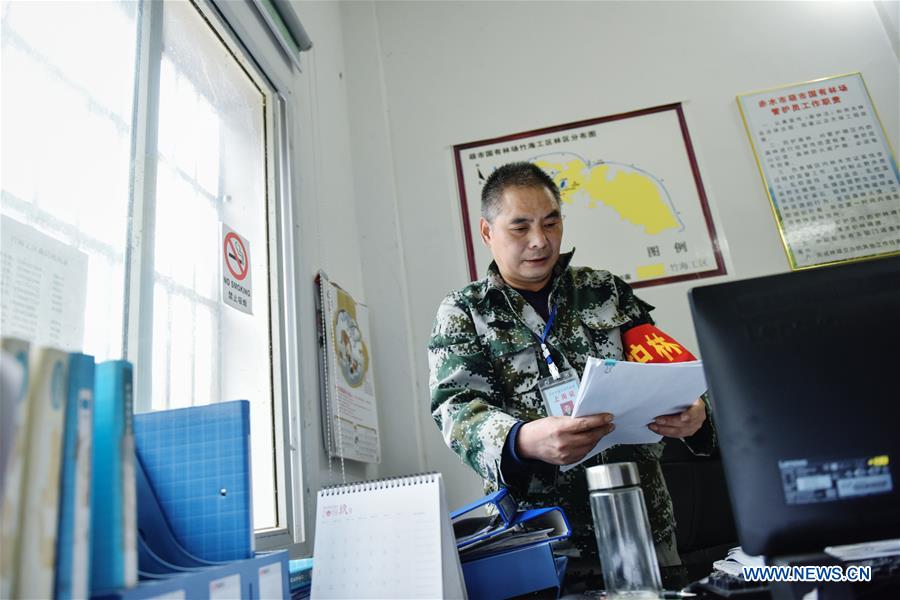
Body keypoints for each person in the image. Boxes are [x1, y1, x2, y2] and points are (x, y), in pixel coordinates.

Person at [427, 161, 716, 591]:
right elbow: (455, 409)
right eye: (519, 228)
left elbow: (669, 370)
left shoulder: (605, 290)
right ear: (488, 233)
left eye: (551, 222)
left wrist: (696, 414)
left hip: (641, 528)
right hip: (537, 539)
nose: (540, 241)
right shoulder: (466, 312)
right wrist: (524, 439)